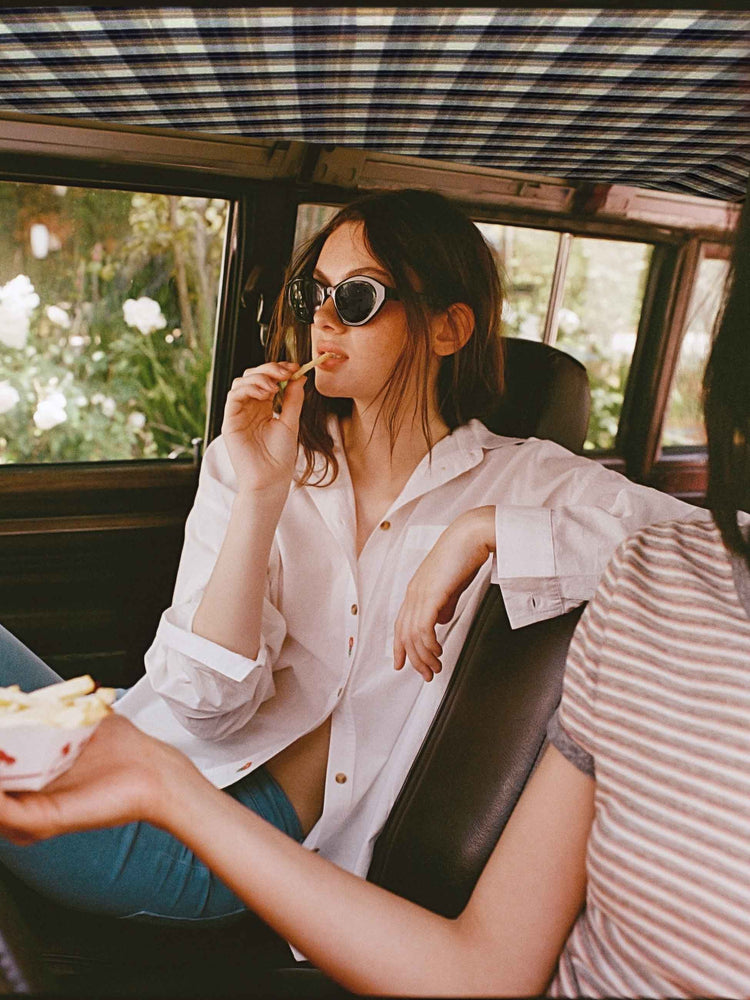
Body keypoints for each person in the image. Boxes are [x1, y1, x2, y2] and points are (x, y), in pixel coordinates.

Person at [0, 189, 705, 936]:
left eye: (358, 297)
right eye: (313, 294)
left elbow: (731, 554)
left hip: (230, 841)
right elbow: (201, 706)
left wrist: (489, 529)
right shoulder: (257, 461)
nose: (323, 319)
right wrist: (261, 495)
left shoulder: (533, 483)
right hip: (146, 746)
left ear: (447, 328)